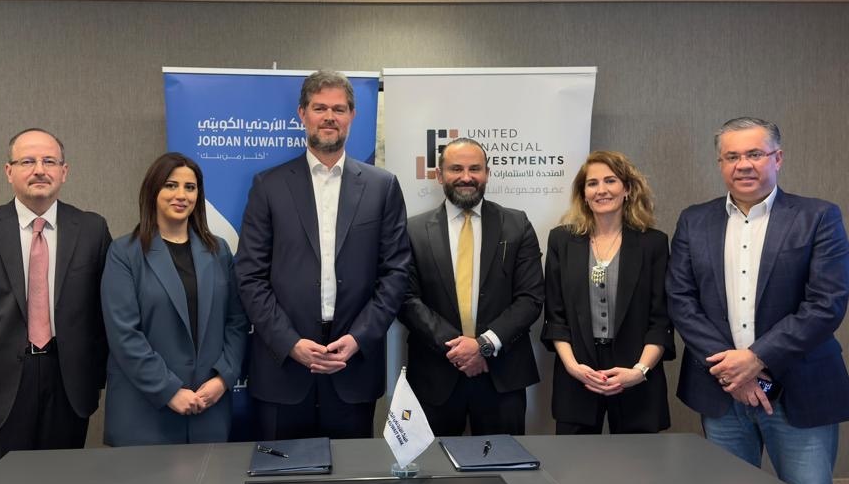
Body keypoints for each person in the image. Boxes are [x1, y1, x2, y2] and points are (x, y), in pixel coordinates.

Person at [667, 116, 849, 484]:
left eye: (755, 154)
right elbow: (681, 299)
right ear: (720, 163)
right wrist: (731, 370)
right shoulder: (694, 220)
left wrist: (755, 359)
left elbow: (826, 304)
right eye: (732, 156)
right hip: (721, 392)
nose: (743, 165)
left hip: (800, 389)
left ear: (778, 158)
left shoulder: (818, 217)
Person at [235, 70, 411, 440]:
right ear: (302, 114)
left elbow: (396, 273)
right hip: (283, 368)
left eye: (339, 109)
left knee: (351, 475)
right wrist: (290, 343)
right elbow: (250, 276)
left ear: (352, 116)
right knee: (282, 473)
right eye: (320, 108)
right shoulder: (268, 185)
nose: (329, 117)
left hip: (353, 367)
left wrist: (359, 338)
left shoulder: (382, 187)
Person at [0, 128, 112, 478]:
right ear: (9, 171)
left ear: (64, 171)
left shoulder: (92, 229)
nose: (39, 170)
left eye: (49, 161)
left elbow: (104, 313)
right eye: (27, 161)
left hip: (68, 382)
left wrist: (100, 376)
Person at [397, 138, 542, 436]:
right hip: (435, 375)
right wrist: (461, 350)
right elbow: (406, 299)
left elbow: (530, 298)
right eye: (456, 169)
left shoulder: (517, 224)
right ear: (439, 175)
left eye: (475, 168)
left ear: (487, 173)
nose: (466, 177)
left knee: (503, 461)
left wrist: (484, 345)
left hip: (501, 375)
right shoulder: (412, 230)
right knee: (433, 464)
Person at [101, 153, 248, 445]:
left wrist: (223, 378)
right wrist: (168, 390)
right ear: (153, 191)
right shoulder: (124, 253)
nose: (181, 195)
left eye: (190, 187)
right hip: (145, 410)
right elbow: (124, 334)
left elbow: (237, 321)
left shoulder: (218, 251)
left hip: (208, 405)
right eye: (171, 185)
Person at [541, 151, 672, 434]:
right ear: (583, 194)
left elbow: (660, 320)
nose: (601, 190)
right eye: (592, 183)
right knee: (574, 459)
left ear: (627, 189)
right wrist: (573, 367)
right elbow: (555, 316)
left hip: (635, 372)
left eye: (610, 181)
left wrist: (639, 371)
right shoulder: (562, 240)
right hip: (578, 371)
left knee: (637, 459)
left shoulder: (653, 244)